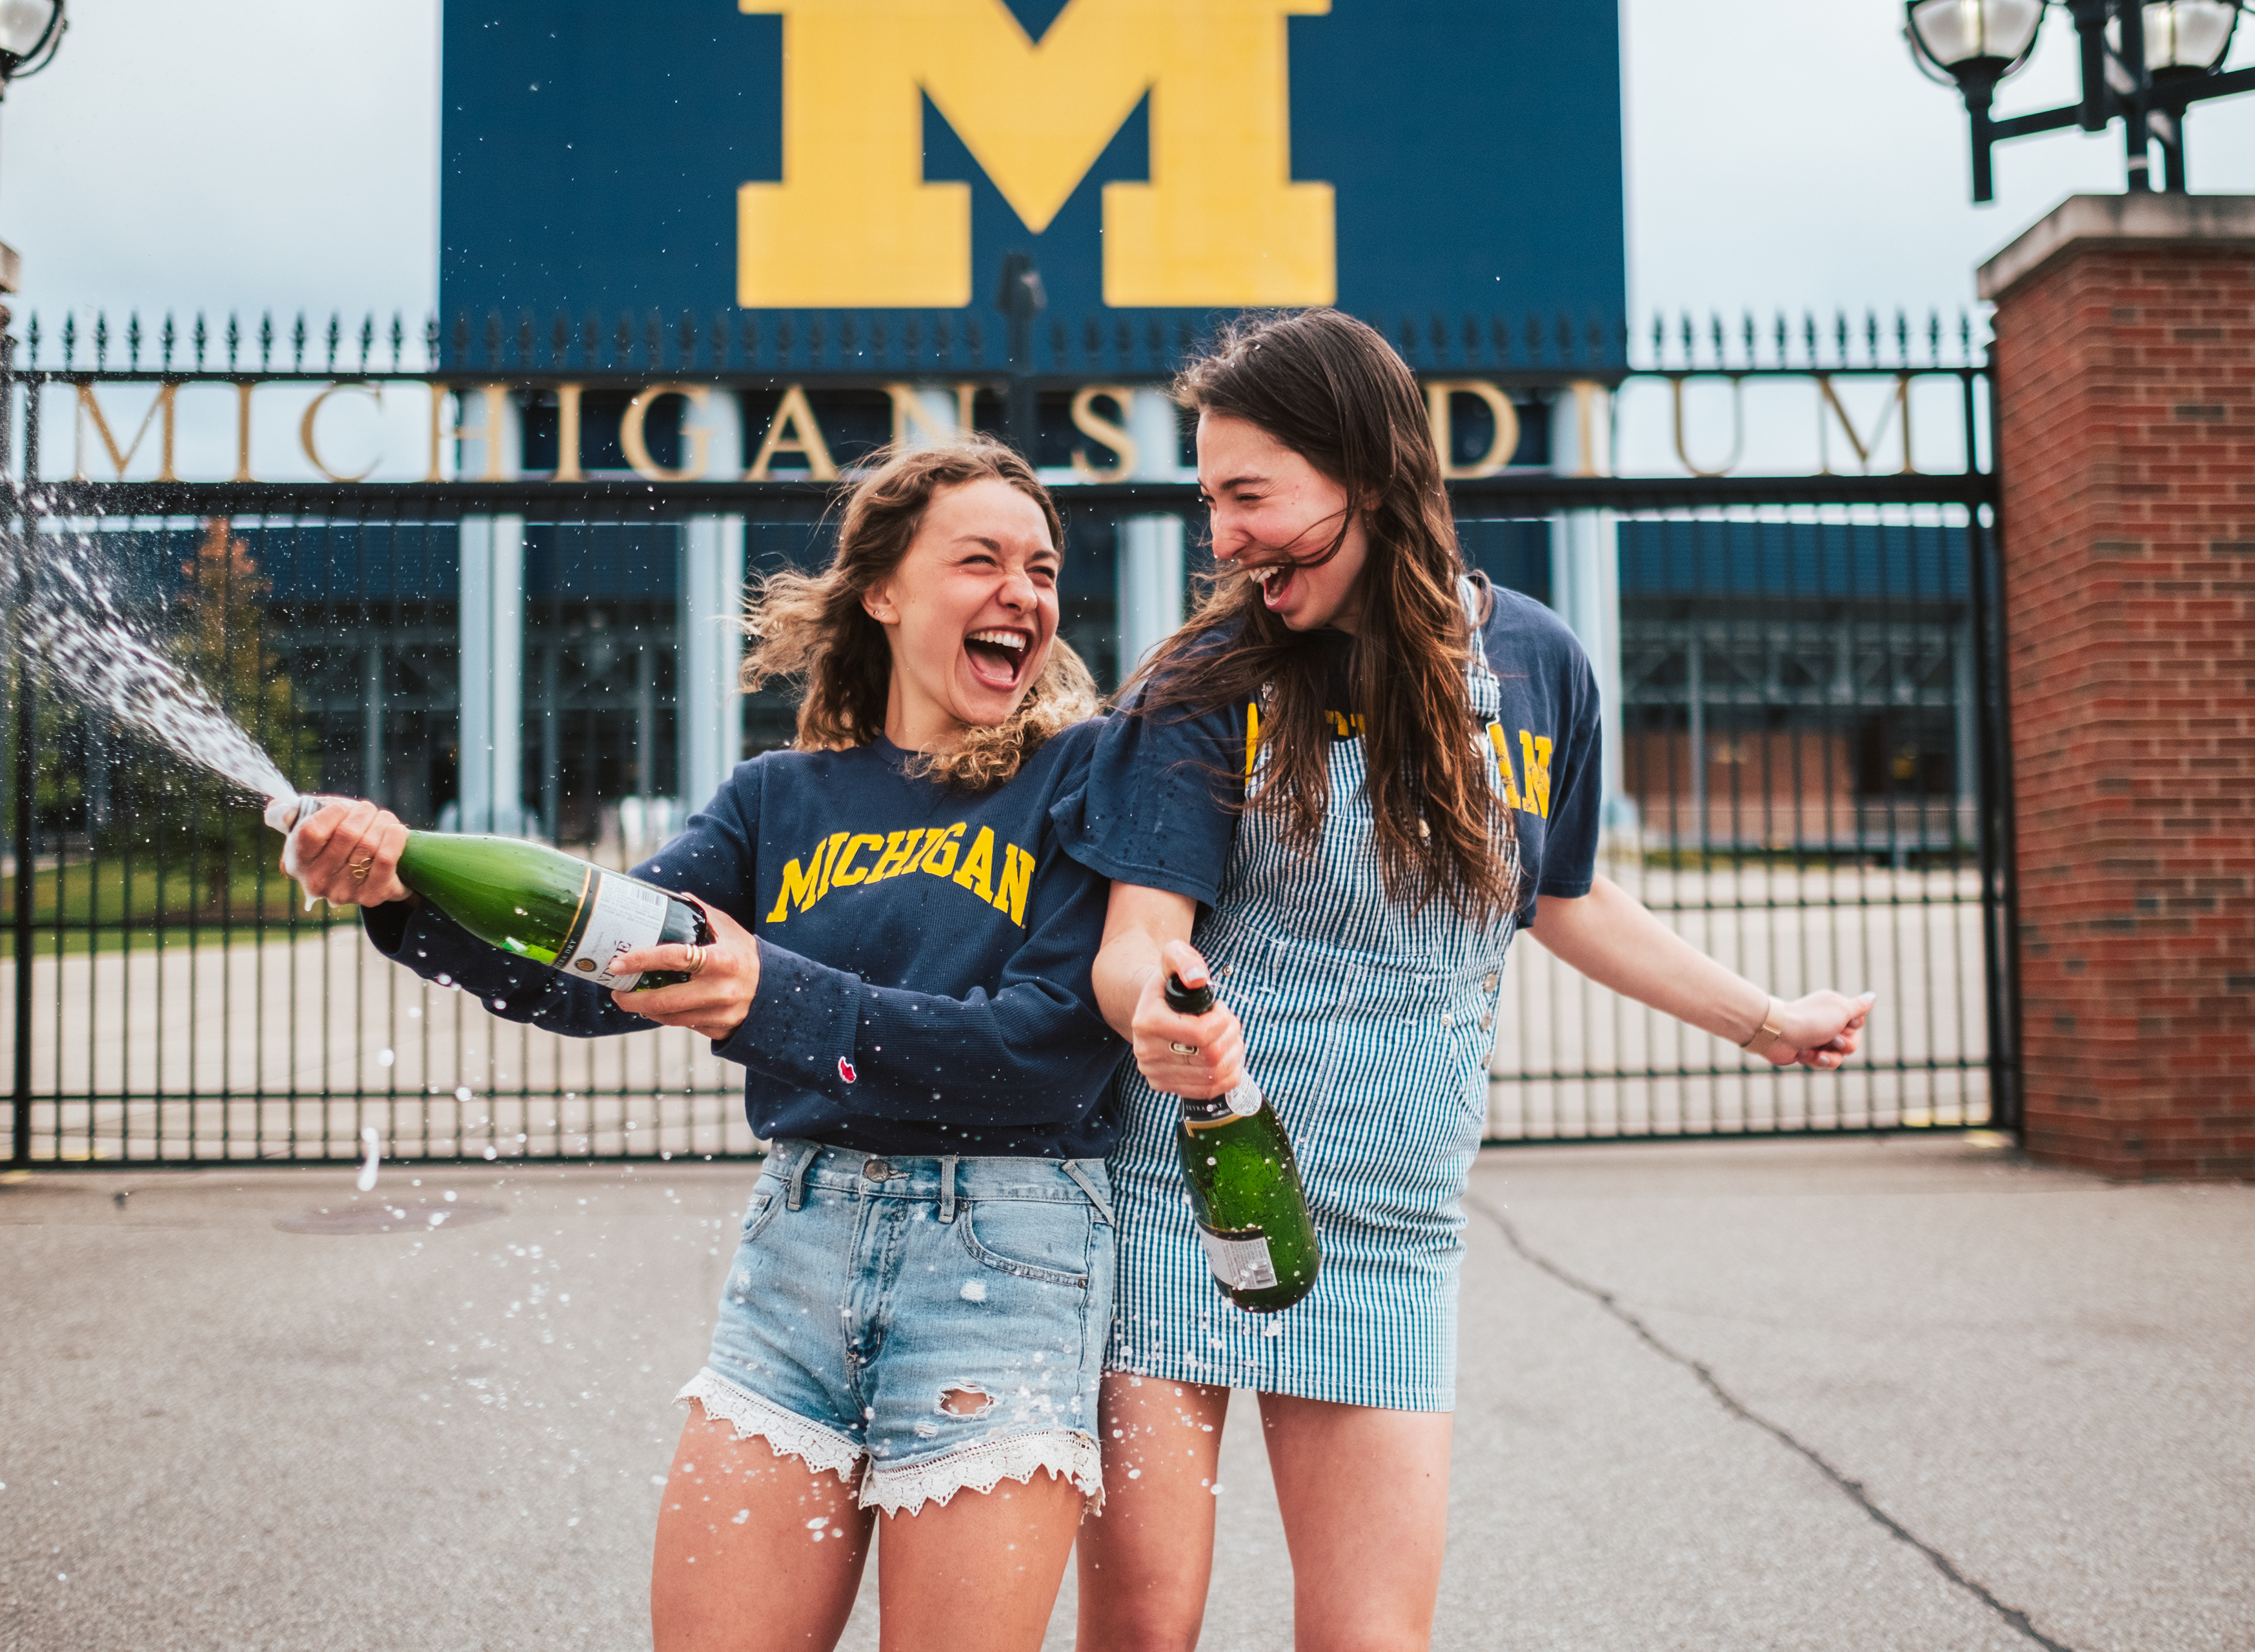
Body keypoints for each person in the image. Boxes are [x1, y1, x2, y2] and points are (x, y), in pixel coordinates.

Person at [1055, 309, 1877, 1652]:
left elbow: (1563, 896)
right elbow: (1137, 937)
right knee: (1147, 1623)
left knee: (1372, 1637)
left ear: (1369, 476)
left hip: (1393, 1223)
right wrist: (1153, 1007)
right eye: (1212, 500)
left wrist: (1766, 1019)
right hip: (1183, 1198)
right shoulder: (1208, 680)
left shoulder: (1539, 667)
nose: (1225, 536)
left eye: (1251, 495)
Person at [285, 438, 1129, 1652]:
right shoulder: (776, 798)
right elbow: (596, 976)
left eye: (1042, 570)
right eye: (980, 561)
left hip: (1005, 1260)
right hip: (800, 1254)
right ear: (882, 593)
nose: (1024, 594)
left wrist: (772, 996)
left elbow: (1048, 1052)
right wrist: (398, 891)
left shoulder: (1084, 775)